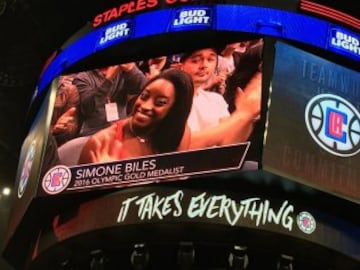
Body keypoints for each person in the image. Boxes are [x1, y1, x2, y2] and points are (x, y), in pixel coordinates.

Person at [78, 69, 194, 164]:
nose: (145, 106)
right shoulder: (100, 143)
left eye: (160, 102)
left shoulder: (180, 134)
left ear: (175, 110)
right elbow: (88, 107)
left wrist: (131, 69)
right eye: (144, 96)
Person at [73, 62, 146, 137]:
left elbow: (142, 89)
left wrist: (132, 69)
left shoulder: (123, 71)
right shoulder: (82, 77)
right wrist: (108, 80)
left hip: (120, 130)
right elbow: (88, 108)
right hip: (93, 133)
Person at [179, 47, 231, 132]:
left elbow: (229, 136)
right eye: (195, 60)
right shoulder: (171, 100)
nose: (204, 65)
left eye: (210, 60)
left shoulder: (216, 99)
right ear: (180, 66)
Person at [50, 75, 80, 146]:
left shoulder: (70, 91)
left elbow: (72, 127)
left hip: (58, 142)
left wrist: (61, 127)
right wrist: (52, 129)